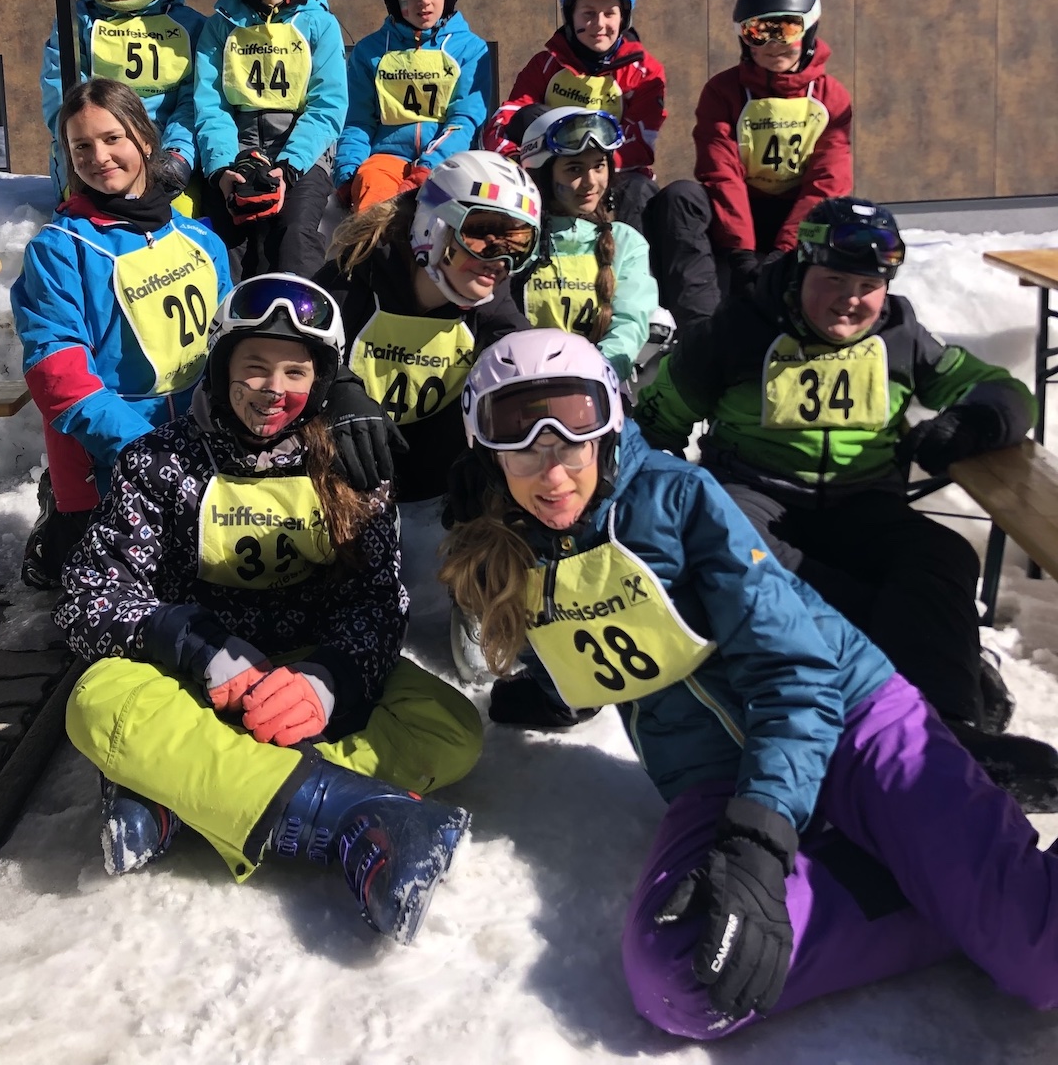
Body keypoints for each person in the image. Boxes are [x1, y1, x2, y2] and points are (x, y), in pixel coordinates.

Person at [440, 328, 1058, 1038]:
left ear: (607, 427)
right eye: (523, 448)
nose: (553, 475)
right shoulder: (516, 544)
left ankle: (970, 881)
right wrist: (551, 692)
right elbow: (601, 641)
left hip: (846, 722)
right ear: (487, 454)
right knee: (688, 979)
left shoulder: (675, 501)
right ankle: (951, 880)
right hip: (713, 777)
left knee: (1042, 956)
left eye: (573, 441)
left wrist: (759, 840)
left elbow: (795, 672)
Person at [57, 273, 481, 943]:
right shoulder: (161, 460)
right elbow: (90, 595)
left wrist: (327, 679)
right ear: (222, 368)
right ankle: (358, 821)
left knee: (452, 728)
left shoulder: (349, 467)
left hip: (306, 674)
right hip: (192, 682)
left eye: (295, 371)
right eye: (253, 366)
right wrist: (196, 646)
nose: (272, 389)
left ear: (321, 380)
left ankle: (186, 792)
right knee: (95, 699)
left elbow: (378, 598)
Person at [635, 197, 1058, 808]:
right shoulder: (735, 331)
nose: (850, 300)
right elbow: (655, 424)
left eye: (868, 286)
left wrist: (975, 423)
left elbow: (1001, 388)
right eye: (834, 280)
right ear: (801, 267)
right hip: (756, 496)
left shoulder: (900, 334)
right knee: (745, 566)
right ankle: (848, 708)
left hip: (864, 501)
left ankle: (948, 731)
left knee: (940, 554)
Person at [318, 149, 537, 672]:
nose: (498, 259)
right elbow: (295, 354)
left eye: (517, 243)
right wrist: (338, 388)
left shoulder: (490, 301)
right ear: (434, 228)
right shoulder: (354, 276)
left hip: (437, 477)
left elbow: (523, 365)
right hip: (353, 469)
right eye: (483, 235)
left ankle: (480, 588)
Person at [13, 79, 232, 588]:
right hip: (109, 455)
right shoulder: (58, 249)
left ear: (145, 140)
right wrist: (143, 451)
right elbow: (57, 373)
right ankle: (59, 523)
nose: (99, 157)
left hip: (198, 442)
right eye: (81, 147)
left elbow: (230, 347)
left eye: (113, 138)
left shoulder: (200, 238)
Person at [655, 0, 852, 329]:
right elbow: (721, 173)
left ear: (809, 30)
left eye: (786, 29)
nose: (774, 44)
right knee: (681, 198)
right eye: (759, 32)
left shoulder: (831, 97)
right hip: (738, 213)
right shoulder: (723, 91)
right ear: (744, 38)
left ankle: (815, 318)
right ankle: (700, 329)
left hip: (796, 216)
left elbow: (826, 183)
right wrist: (742, 254)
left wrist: (784, 252)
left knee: (845, 214)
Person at [194, 0, 346, 279]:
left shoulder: (321, 25)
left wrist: (289, 168)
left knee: (294, 236)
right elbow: (210, 105)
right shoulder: (219, 26)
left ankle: (304, 312)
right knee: (226, 241)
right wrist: (223, 169)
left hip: (302, 153)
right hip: (237, 148)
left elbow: (328, 105)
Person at [486, 0, 666, 238]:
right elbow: (507, 119)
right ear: (571, 15)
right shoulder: (545, 64)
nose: (599, 24)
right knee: (530, 118)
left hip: (612, 178)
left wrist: (589, 170)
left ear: (624, 17)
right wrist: (516, 160)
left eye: (610, 14)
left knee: (640, 188)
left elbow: (640, 144)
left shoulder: (645, 72)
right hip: (553, 174)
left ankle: (628, 260)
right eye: (588, 13)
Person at [40, 0, 203, 206]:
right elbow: (61, 97)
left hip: (168, 156)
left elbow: (195, 100)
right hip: (97, 160)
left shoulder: (190, 25)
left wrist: (178, 153)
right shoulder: (75, 24)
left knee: (177, 215)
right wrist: (94, 149)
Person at [334, 0, 491, 212]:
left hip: (448, 162)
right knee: (371, 187)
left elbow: (464, 121)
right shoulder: (369, 52)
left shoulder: (471, 49)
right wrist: (348, 171)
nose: (424, 1)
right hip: (386, 159)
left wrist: (427, 168)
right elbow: (358, 121)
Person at [514, 107, 656, 380]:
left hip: (597, 388)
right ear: (543, 174)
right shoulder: (516, 237)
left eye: (599, 166)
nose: (591, 182)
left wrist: (591, 379)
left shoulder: (627, 242)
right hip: (520, 385)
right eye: (574, 169)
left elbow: (629, 327)